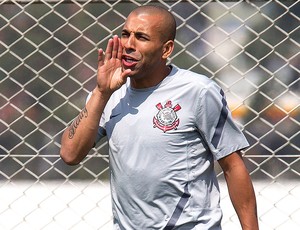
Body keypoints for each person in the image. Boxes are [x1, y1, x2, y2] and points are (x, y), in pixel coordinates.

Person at [60, 5, 259, 230]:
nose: (128, 44)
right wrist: (101, 92)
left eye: (141, 37)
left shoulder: (198, 91)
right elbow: (70, 154)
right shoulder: (108, 95)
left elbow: (233, 165)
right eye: (126, 34)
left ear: (166, 49)